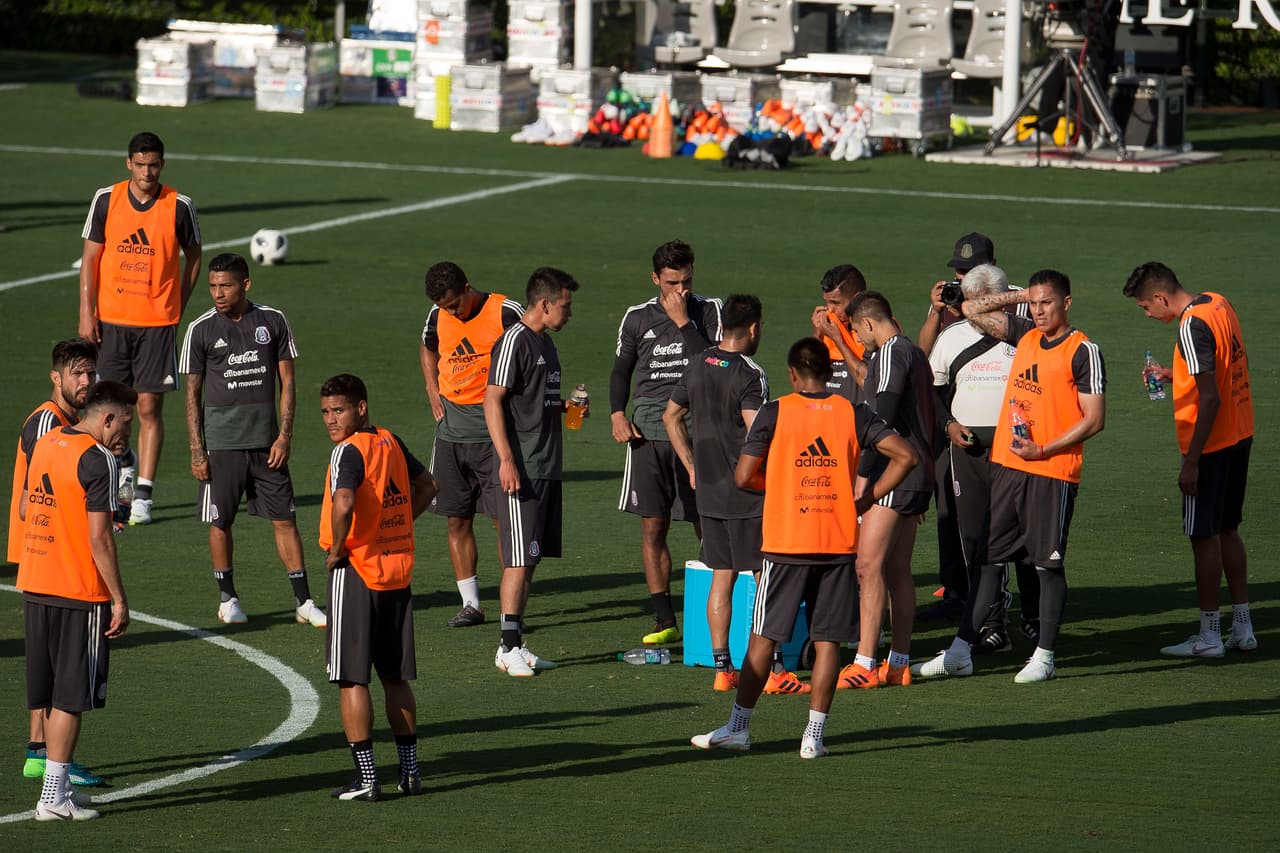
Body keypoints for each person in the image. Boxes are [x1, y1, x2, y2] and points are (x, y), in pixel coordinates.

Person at [690, 338, 916, 758]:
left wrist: (778, 485)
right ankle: (813, 736)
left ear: (792, 374)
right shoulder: (852, 412)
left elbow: (743, 475)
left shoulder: (776, 412)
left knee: (763, 639)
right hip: (836, 542)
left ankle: (738, 728)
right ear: (828, 373)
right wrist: (866, 499)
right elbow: (905, 455)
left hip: (785, 543)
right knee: (828, 641)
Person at [913, 269, 1106, 684]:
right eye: (1033, 304)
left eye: (1046, 303)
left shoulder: (1082, 350)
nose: (1038, 311)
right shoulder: (1025, 336)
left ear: (1067, 303)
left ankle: (1045, 654)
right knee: (987, 558)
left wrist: (1044, 449)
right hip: (1009, 466)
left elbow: (1094, 420)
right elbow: (968, 307)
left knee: (1046, 564)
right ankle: (962, 649)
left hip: (1051, 471)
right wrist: (1018, 295)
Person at [665, 294, 807, 694]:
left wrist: (692, 466)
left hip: (708, 491)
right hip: (749, 494)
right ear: (754, 328)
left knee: (722, 576)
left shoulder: (697, 364)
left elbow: (670, 415)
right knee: (766, 576)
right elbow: (757, 431)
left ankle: (722, 668)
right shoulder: (749, 373)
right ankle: (775, 669)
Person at [180, 253, 325, 627]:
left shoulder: (272, 321)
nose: (217, 293)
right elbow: (191, 395)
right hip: (221, 447)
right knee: (220, 521)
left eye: (225, 285)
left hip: (266, 445)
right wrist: (198, 451)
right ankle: (228, 598)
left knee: (285, 520)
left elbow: (288, 383)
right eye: (212, 286)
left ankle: (304, 601)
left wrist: (284, 437)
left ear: (245, 284)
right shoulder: (200, 329)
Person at [1122, 262, 1256, 657]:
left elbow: (1209, 397)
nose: (1148, 315)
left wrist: (1192, 461)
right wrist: (1174, 373)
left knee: (1203, 537)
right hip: (1241, 433)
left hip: (1211, 447)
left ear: (1161, 297)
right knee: (1229, 528)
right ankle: (1243, 627)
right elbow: (1217, 370)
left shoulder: (1189, 324)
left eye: (1147, 307)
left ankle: (1210, 635)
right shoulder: (1218, 303)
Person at [18, 380, 136, 820]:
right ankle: (53, 799)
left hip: (35, 580)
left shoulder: (48, 441)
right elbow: (100, 537)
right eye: (125, 422)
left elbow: (30, 508)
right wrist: (119, 599)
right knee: (71, 696)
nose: (128, 432)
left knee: (49, 691)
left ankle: (59, 787)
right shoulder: (99, 458)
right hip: (77, 589)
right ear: (107, 418)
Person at [320, 374, 436, 801]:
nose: (332, 420)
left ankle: (367, 778)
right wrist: (400, 525)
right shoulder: (390, 442)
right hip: (397, 572)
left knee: (352, 679)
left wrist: (336, 548)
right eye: (327, 412)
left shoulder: (347, 452)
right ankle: (410, 773)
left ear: (361, 408)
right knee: (396, 677)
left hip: (357, 573)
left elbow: (345, 502)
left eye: (340, 410)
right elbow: (428, 486)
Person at [78, 131, 203, 526]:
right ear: (128, 163)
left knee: (148, 406)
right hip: (112, 320)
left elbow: (195, 255)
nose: (147, 171)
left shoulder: (179, 205)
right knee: (109, 410)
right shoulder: (106, 199)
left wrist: (178, 302)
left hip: (156, 323)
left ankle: (143, 494)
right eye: (141, 164)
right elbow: (90, 258)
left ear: (162, 165)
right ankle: (115, 474)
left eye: (154, 165)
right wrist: (87, 312)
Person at [611, 240, 722, 645]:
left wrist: (683, 323)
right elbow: (621, 369)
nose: (682, 291)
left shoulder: (709, 311)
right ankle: (664, 619)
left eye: (687, 280)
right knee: (652, 526)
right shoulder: (636, 317)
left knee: (706, 523)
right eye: (673, 282)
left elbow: (714, 366)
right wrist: (616, 413)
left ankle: (715, 611)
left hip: (697, 435)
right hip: (647, 436)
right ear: (655, 278)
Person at [926, 265, 1040, 654]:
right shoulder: (950, 338)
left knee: (1025, 535)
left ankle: (1034, 618)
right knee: (975, 537)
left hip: (1019, 449)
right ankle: (992, 624)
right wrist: (949, 426)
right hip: (968, 451)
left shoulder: (1028, 335)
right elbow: (934, 391)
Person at [9, 339, 106, 789]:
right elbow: (33, 502)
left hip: (42, 554)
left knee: (47, 664)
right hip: (47, 555)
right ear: (57, 377)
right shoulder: (50, 422)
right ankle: (44, 754)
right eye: (77, 374)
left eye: (91, 373)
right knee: (58, 669)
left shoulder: (66, 422)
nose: (86, 381)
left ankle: (40, 752)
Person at [484, 267, 581, 677]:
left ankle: (516, 642)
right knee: (518, 561)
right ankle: (506, 647)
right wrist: (506, 459)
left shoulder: (545, 343)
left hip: (546, 464)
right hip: (521, 467)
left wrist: (566, 408)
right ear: (544, 304)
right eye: (565, 305)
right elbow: (492, 401)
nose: (569, 313)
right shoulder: (513, 342)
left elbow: (533, 402)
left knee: (531, 558)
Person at [837, 291, 935, 689]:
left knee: (868, 566)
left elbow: (882, 420)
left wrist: (864, 479)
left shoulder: (892, 353)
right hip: (918, 474)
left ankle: (864, 663)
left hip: (895, 473)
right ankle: (899, 663)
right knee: (897, 571)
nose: (860, 342)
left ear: (871, 323)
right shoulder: (912, 353)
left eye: (859, 333)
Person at [419, 261, 524, 628]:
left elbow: (532, 356)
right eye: (445, 307)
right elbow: (427, 348)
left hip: (494, 436)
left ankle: (510, 609)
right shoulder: (437, 315)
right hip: (451, 434)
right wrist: (433, 392)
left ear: (468, 287)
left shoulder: (506, 312)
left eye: (454, 304)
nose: (451, 312)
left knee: (503, 522)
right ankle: (471, 604)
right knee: (456, 520)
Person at [917, 232, 1002, 621]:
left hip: (1001, 431)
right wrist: (936, 311)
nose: (962, 278)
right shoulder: (952, 303)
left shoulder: (1013, 301)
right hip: (949, 419)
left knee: (1003, 521)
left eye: (970, 271)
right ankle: (957, 592)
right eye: (959, 271)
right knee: (950, 512)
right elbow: (923, 358)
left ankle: (997, 601)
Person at [809, 264, 869, 399]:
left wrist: (838, 339)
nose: (830, 309)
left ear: (857, 298)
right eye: (827, 302)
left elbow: (869, 383)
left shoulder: (875, 329)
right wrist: (817, 333)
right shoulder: (829, 325)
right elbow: (807, 378)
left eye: (836, 303)